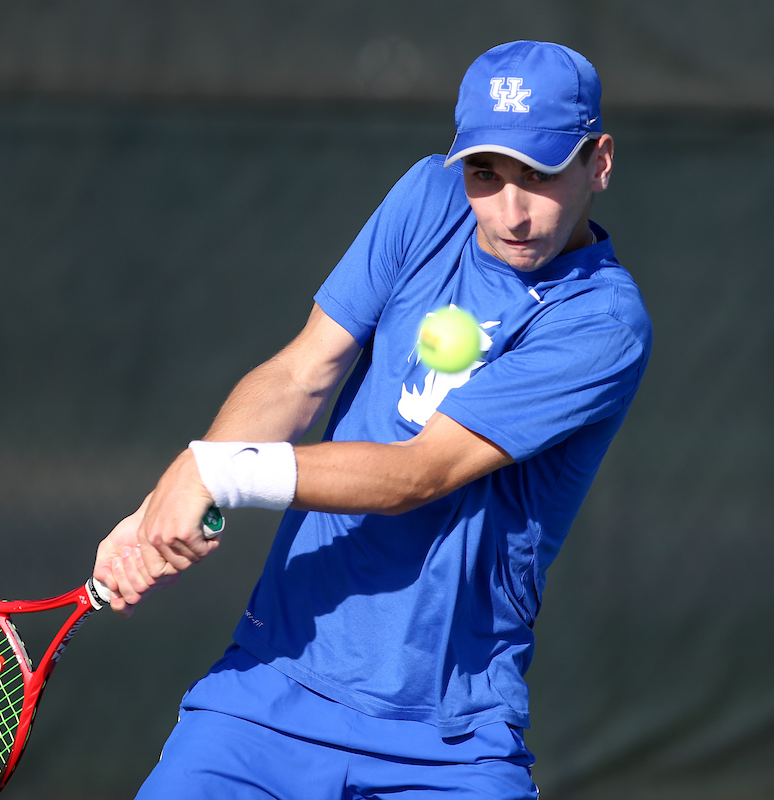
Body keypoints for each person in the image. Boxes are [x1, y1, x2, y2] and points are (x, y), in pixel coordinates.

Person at [93, 40, 652, 800]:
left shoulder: (602, 322)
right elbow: (302, 371)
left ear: (600, 162)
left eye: (542, 175)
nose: (512, 211)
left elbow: (420, 474)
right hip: (268, 692)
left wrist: (215, 471)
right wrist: (165, 502)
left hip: (449, 741)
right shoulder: (429, 197)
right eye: (487, 174)